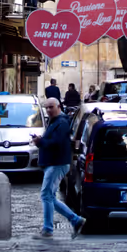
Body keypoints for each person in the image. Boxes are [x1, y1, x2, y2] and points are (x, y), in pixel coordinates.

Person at [30, 98, 85, 239]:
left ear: (58, 106)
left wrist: (40, 141)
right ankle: (76, 220)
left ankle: (48, 229)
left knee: (46, 195)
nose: (48, 110)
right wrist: (41, 140)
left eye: (51, 107)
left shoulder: (61, 123)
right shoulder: (55, 121)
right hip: (54, 163)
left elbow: (57, 143)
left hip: (57, 164)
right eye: (46, 107)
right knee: (50, 197)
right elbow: (53, 140)